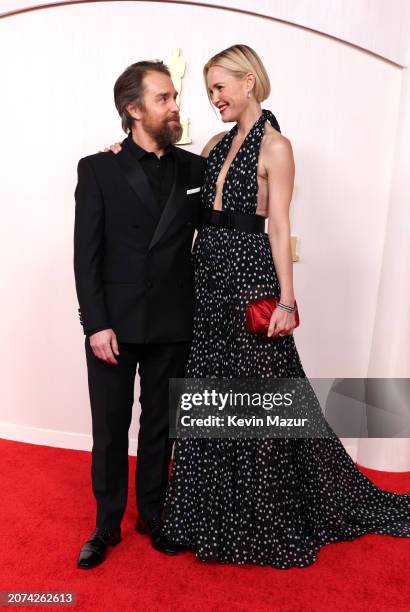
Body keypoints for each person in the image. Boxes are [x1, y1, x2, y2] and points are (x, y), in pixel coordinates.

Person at [158, 44, 410, 569]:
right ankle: (201, 516)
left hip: (250, 275)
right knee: (209, 390)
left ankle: (261, 518)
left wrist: (287, 299)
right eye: (209, 90)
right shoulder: (213, 142)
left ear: (248, 82)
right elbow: (174, 176)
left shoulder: (276, 147)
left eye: (219, 87)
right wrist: (126, 148)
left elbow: (279, 225)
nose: (213, 99)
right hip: (206, 280)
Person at [73, 60, 206, 569]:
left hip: (173, 319)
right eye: (164, 98)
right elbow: (86, 254)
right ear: (133, 110)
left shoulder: (192, 168)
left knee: (160, 427)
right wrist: (95, 324)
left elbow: (238, 162)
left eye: (174, 97)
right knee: (109, 427)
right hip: (115, 323)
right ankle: (106, 524)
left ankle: (152, 512)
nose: (175, 106)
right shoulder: (98, 167)